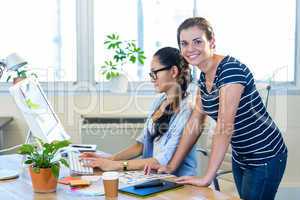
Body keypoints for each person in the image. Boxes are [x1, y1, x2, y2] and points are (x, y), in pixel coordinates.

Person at [145, 17, 287, 200]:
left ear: (211, 42)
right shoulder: (203, 78)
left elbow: (224, 127)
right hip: (241, 156)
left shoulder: (230, 70)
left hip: (265, 155)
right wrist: (171, 166)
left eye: (197, 41)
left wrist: (207, 178)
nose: (190, 49)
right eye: (184, 43)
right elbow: (195, 122)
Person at [80, 47, 197, 176]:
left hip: (177, 182)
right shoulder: (158, 102)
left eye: (155, 72)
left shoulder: (186, 111)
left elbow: (162, 161)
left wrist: (115, 166)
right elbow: (140, 146)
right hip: (153, 177)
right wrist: (108, 159)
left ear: (173, 71)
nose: (152, 78)